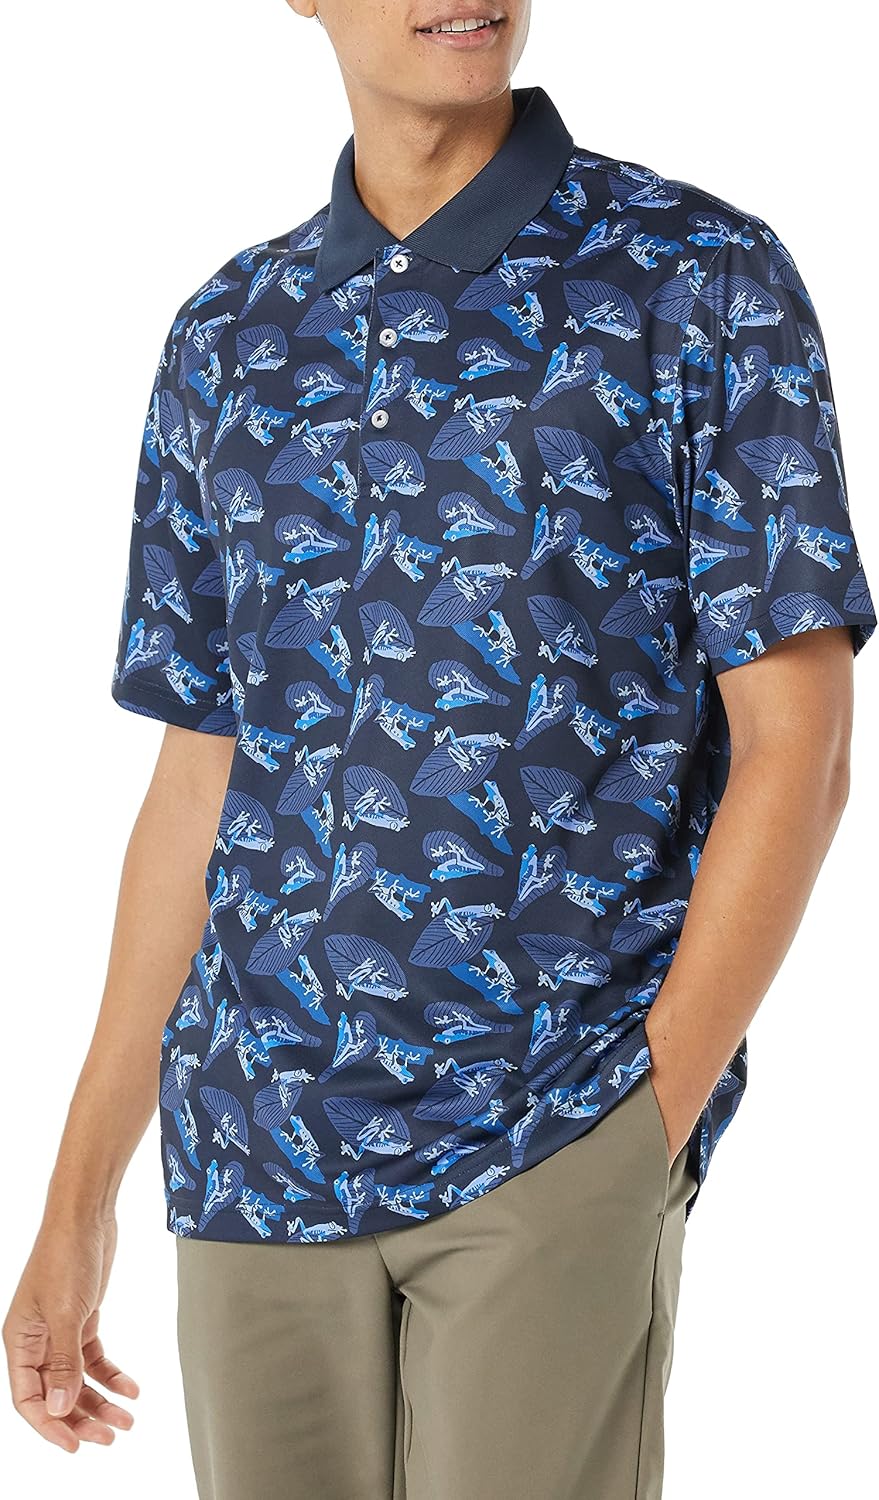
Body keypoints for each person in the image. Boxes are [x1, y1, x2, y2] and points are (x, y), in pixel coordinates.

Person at [4, 3, 876, 1497]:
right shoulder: (230, 336)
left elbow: (798, 741)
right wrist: (78, 1199)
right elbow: (201, 783)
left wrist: (644, 1120)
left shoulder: (696, 276)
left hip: (550, 1129)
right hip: (251, 1157)